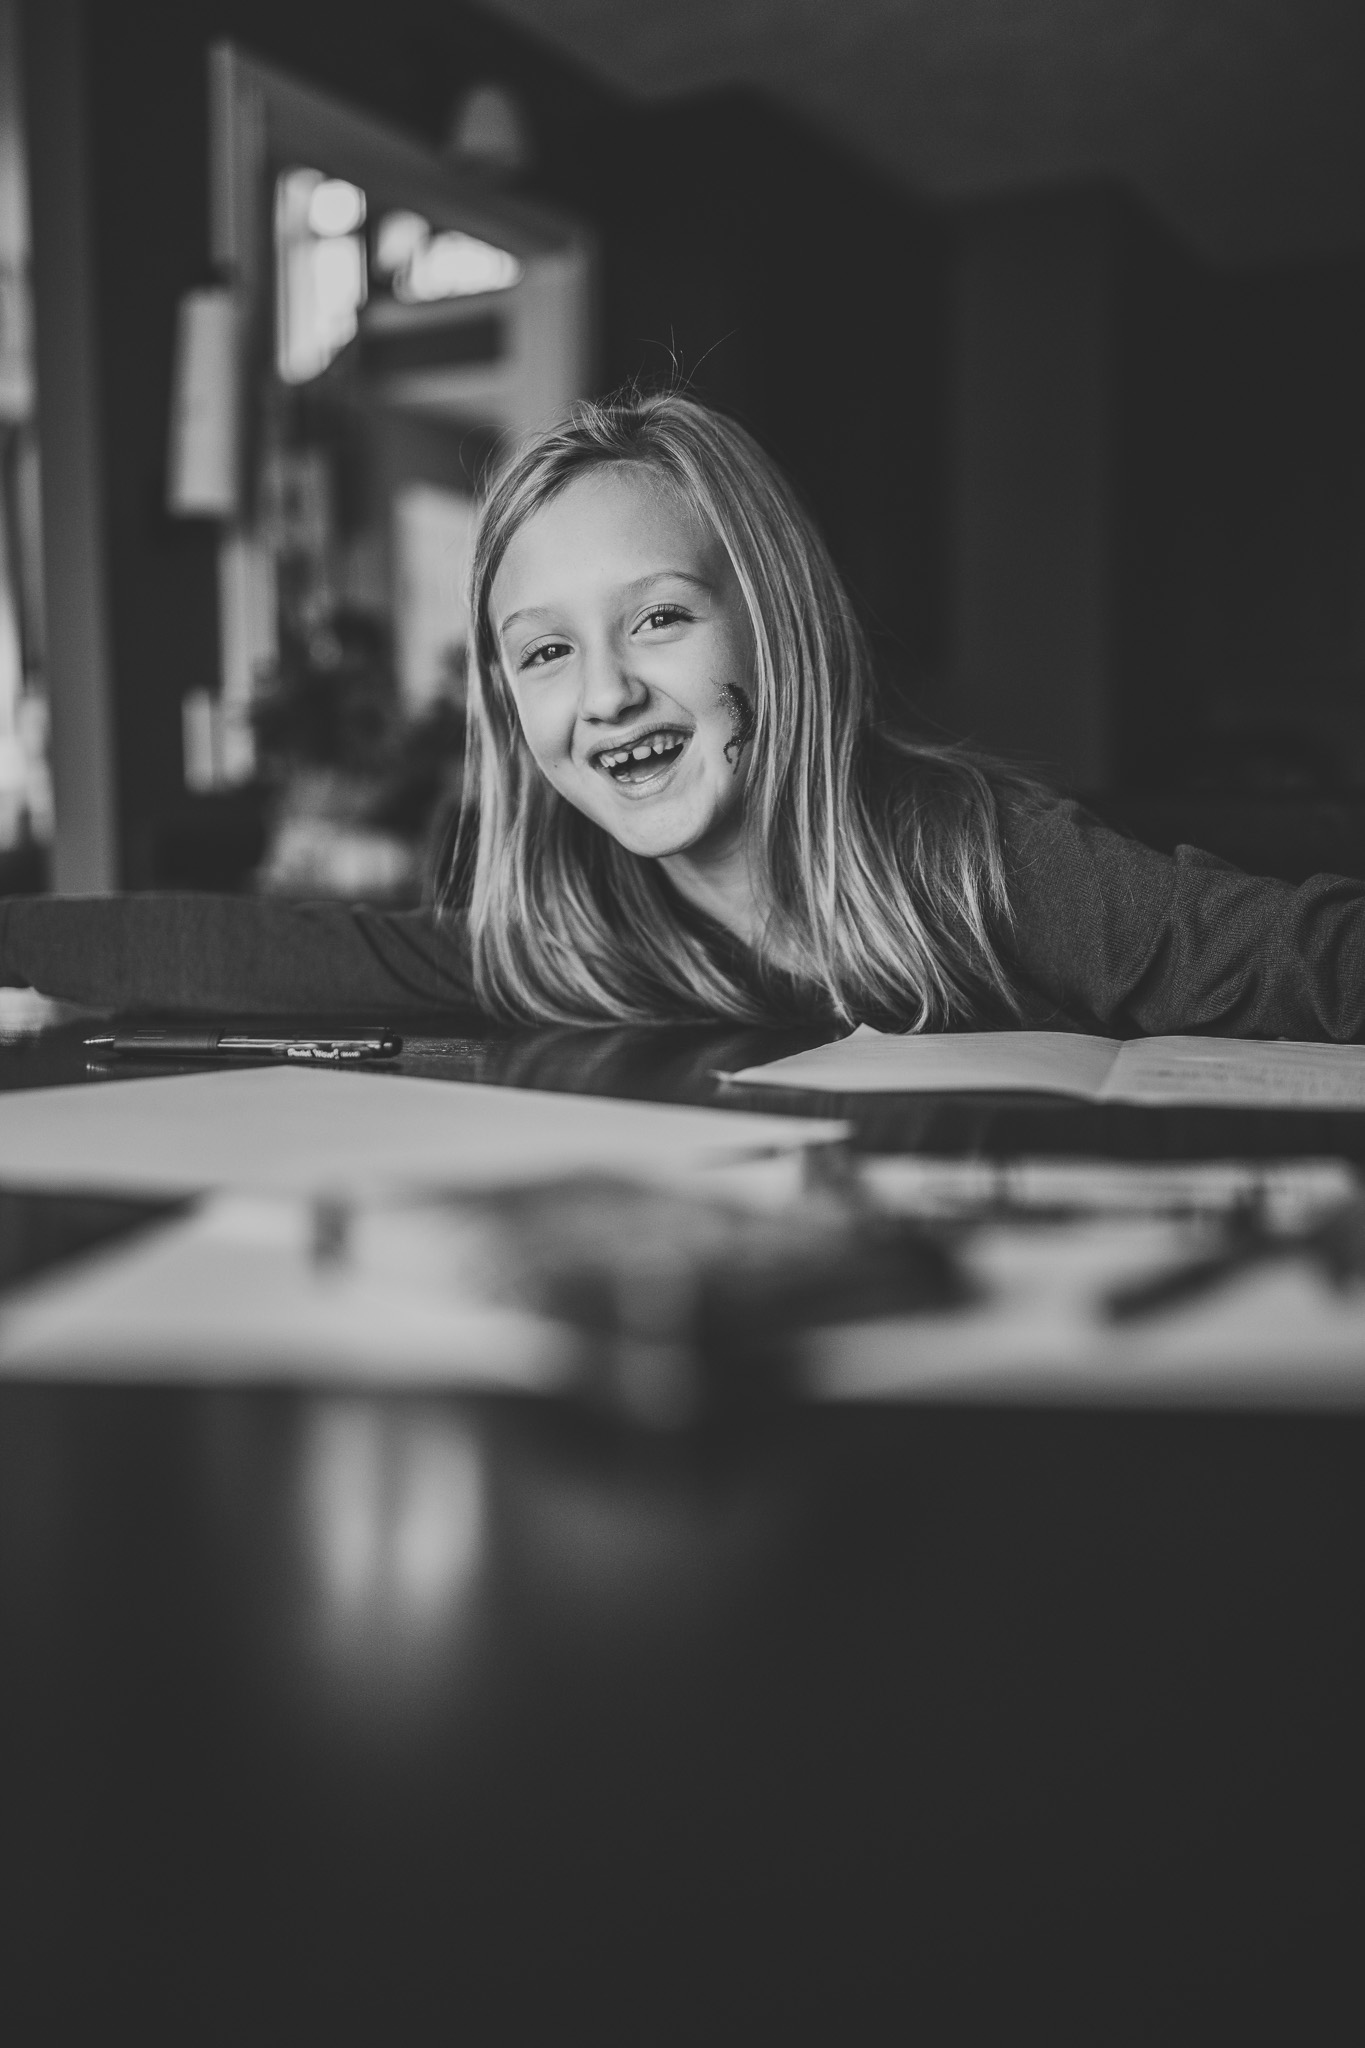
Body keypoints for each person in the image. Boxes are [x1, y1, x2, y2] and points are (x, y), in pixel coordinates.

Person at [3, 388, 1365, 1039]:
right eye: (541, 655)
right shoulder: (566, 940)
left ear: (775, 626)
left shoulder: (986, 861)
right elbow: (278, 953)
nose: (604, 695)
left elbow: (1298, 958)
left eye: (660, 618)